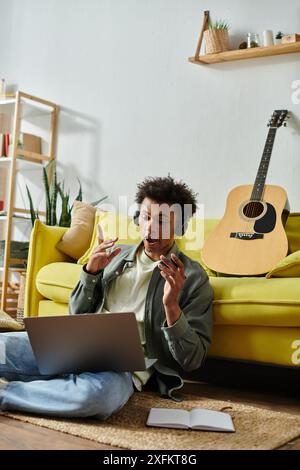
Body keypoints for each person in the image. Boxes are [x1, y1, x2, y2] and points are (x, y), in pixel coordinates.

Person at [0, 176, 213, 419]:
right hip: (75, 345)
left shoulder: (194, 278)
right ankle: (61, 383)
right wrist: (91, 273)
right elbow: (76, 314)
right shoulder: (116, 256)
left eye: (163, 220)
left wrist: (171, 306)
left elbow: (193, 359)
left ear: (180, 227)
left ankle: (8, 392)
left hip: (122, 369)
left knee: (96, 397)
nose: (151, 227)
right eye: (146, 216)